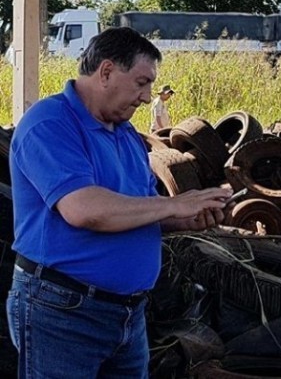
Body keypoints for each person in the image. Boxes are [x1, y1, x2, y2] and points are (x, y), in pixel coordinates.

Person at [6, 27, 232, 378]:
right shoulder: (50, 123)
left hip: (127, 312)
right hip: (63, 310)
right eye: (142, 82)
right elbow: (85, 209)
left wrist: (185, 218)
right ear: (107, 71)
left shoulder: (125, 132)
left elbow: (139, 207)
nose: (147, 97)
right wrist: (174, 205)